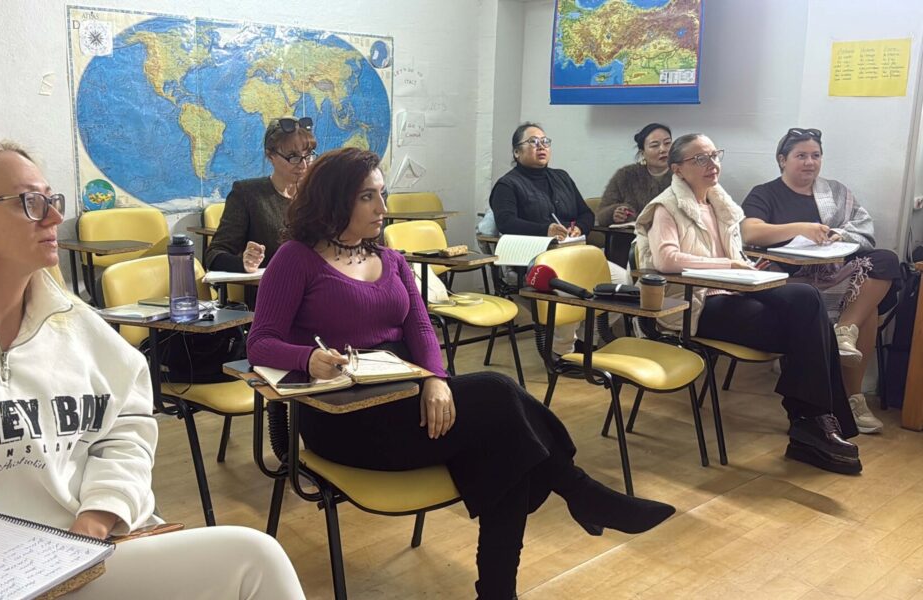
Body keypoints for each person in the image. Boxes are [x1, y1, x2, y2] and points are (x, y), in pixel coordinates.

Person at [247, 147, 676, 599]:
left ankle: (500, 589)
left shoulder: (390, 259)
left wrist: (436, 379)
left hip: (409, 402)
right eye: (367, 197)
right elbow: (260, 343)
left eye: (382, 193)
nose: (382, 207)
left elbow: (420, 328)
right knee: (497, 393)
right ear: (335, 200)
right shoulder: (295, 259)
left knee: (505, 445)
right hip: (343, 418)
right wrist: (307, 358)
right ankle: (580, 492)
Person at [0, 137, 305, 599]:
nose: (53, 217)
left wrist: (97, 518)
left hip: (85, 549)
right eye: (28, 202)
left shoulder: (79, 326)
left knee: (254, 557)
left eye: (51, 200)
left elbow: (128, 428)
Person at [635, 133, 862, 475]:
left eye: (715, 155)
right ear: (678, 169)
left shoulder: (719, 204)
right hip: (695, 304)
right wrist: (728, 265)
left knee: (807, 297)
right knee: (806, 329)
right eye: (700, 159)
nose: (712, 164)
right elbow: (666, 260)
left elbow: (735, 257)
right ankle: (813, 422)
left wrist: (745, 268)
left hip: (733, 289)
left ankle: (812, 421)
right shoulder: (666, 207)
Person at [741, 127, 900, 434]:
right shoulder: (765, 193)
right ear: (782, 160)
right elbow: (750, 232)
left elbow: (863, 230)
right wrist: (800, 228)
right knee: (868, 310)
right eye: (801, 156)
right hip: (788, 279)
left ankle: (844, 331)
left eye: (815, 155)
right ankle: (852, 399)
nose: (809, 162)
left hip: (833, 273)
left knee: (886, 260)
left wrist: (838, 235)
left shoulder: (835, 191)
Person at [489, 122, 629, 368]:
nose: (541, 146)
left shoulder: (561, 177)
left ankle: (587, 339)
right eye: (533, 142)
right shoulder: (507, 185)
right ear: (516, 152)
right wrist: (545, 230)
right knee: (570, 286)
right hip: (536, 260)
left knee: (622, 283)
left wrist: (579, 228)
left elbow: (586, 214)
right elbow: (506, 222)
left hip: (574, 253)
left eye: (545, 142)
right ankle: (561, 353)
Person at [205, 116, 317, 308]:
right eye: (293, 156)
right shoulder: (248, 194)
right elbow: (214, 255)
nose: (303, 165)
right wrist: (243, 263)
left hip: (316, 292)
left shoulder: (316, 195)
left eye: (308, 155)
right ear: (270, 155)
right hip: (273, 299)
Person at [597, 123, 675, 263]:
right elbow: (601, 215)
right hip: (629, 247)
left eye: (667, 143)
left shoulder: (683, 173)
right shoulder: (626, 175)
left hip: (672, 243)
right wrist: (614, 213)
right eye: (655, 145)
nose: (663, 149)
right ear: (642, 152)